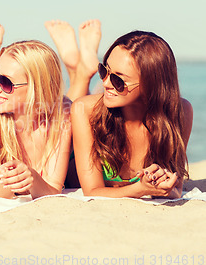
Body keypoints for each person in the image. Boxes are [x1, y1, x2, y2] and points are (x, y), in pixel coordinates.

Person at [0, 20, 100, 199]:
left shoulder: (63, 112)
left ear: (36, 87)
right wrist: (22, 182)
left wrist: (32, 178)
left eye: (5, 82)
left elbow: (54, 188)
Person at [71, 31, 194, 198]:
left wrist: (161, 184)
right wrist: (140, 189)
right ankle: (78, 72)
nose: (105, 82)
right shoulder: (85, 110)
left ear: (151, 84)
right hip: (70, 174)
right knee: (63, 109)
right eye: (104, 71)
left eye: (118, 80)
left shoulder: (180, 112)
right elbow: (92, 191)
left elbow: (176, 189)